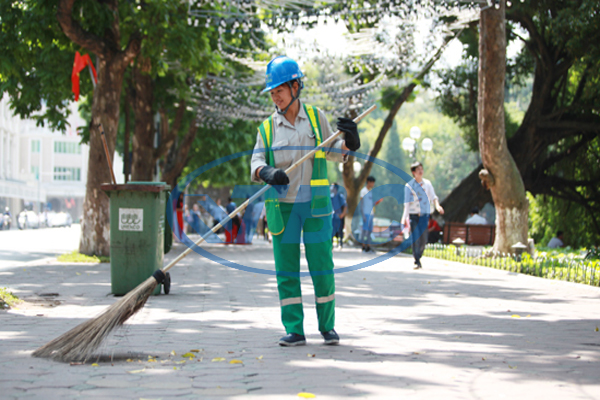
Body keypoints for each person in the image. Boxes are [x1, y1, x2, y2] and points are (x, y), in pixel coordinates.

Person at [250, 55, 360, 347]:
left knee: (322, 266)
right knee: (286, 270)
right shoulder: (266, 128)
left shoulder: (315, 118)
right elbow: (256, 161)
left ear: (295, 86)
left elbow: (335, 150)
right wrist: (267, 172)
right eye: (272, 92)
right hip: (282, 209)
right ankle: (295, 329)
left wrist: (350, 141)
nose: (275, 97)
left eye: (280, 90)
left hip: (315, 208)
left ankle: (328, 327)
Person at [402, 161, 444, 270]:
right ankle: (417, 260)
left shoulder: (427, 184)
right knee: (415, 237)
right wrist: (403, 218)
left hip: (425, 215)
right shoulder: (409, 186)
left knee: (424, 238)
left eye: (422, 169)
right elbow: (406, 204)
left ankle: (419, 255)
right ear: (413, 172)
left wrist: (438, 206)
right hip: (413, 215)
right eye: (418, 170)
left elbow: (433, 197)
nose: (421, 171)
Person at [359, 176, 382, 253]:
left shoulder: (371, 191)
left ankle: (368, 246)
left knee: (369, 231)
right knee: (364, 230)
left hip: (371, 213)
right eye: (372, 182)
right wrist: (363, 214)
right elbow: (361, 203)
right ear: (369, 182)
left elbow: (372, 203)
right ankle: (363, 246)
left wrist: (378, 201)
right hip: (366, 213)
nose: (373, 184)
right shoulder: (363, 191)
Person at [330, 183, 347, 248]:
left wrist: (342, 214)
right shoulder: (330, 197)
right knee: (332, 230)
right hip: (332, 216)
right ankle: (331, 244)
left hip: (339, 216)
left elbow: (345, 206)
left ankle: (340, 243)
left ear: (335, 188)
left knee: (340, 230)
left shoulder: (340, 196)